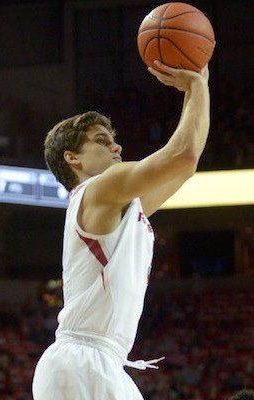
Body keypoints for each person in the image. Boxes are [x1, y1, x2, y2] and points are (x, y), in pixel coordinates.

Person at [32, 59, 210, 400]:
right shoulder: (100, 188)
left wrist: (194, 88)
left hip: (104, 361)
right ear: (73, 159)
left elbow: (186, 168)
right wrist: (197, 87)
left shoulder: (119, 202)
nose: (116, 146)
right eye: (102, 141)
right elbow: (183, 156)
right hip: (81, 358)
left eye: (113, 140)